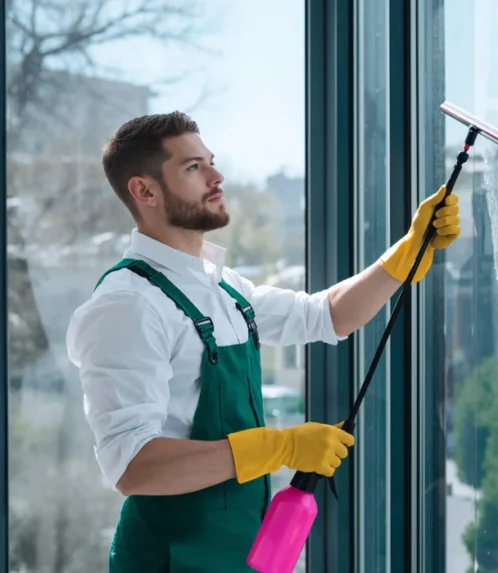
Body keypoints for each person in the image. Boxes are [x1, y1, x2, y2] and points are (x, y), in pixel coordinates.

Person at [65, 111, 461, 572]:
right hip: (170, 560)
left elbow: (327, 314)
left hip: (244, 554)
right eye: (194, 167)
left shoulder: (226, 289)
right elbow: (134, 467)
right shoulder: (128, 305)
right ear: (145, 191)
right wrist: (280, 447)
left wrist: (410, 248)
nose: (218, 176)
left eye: (211, 161)